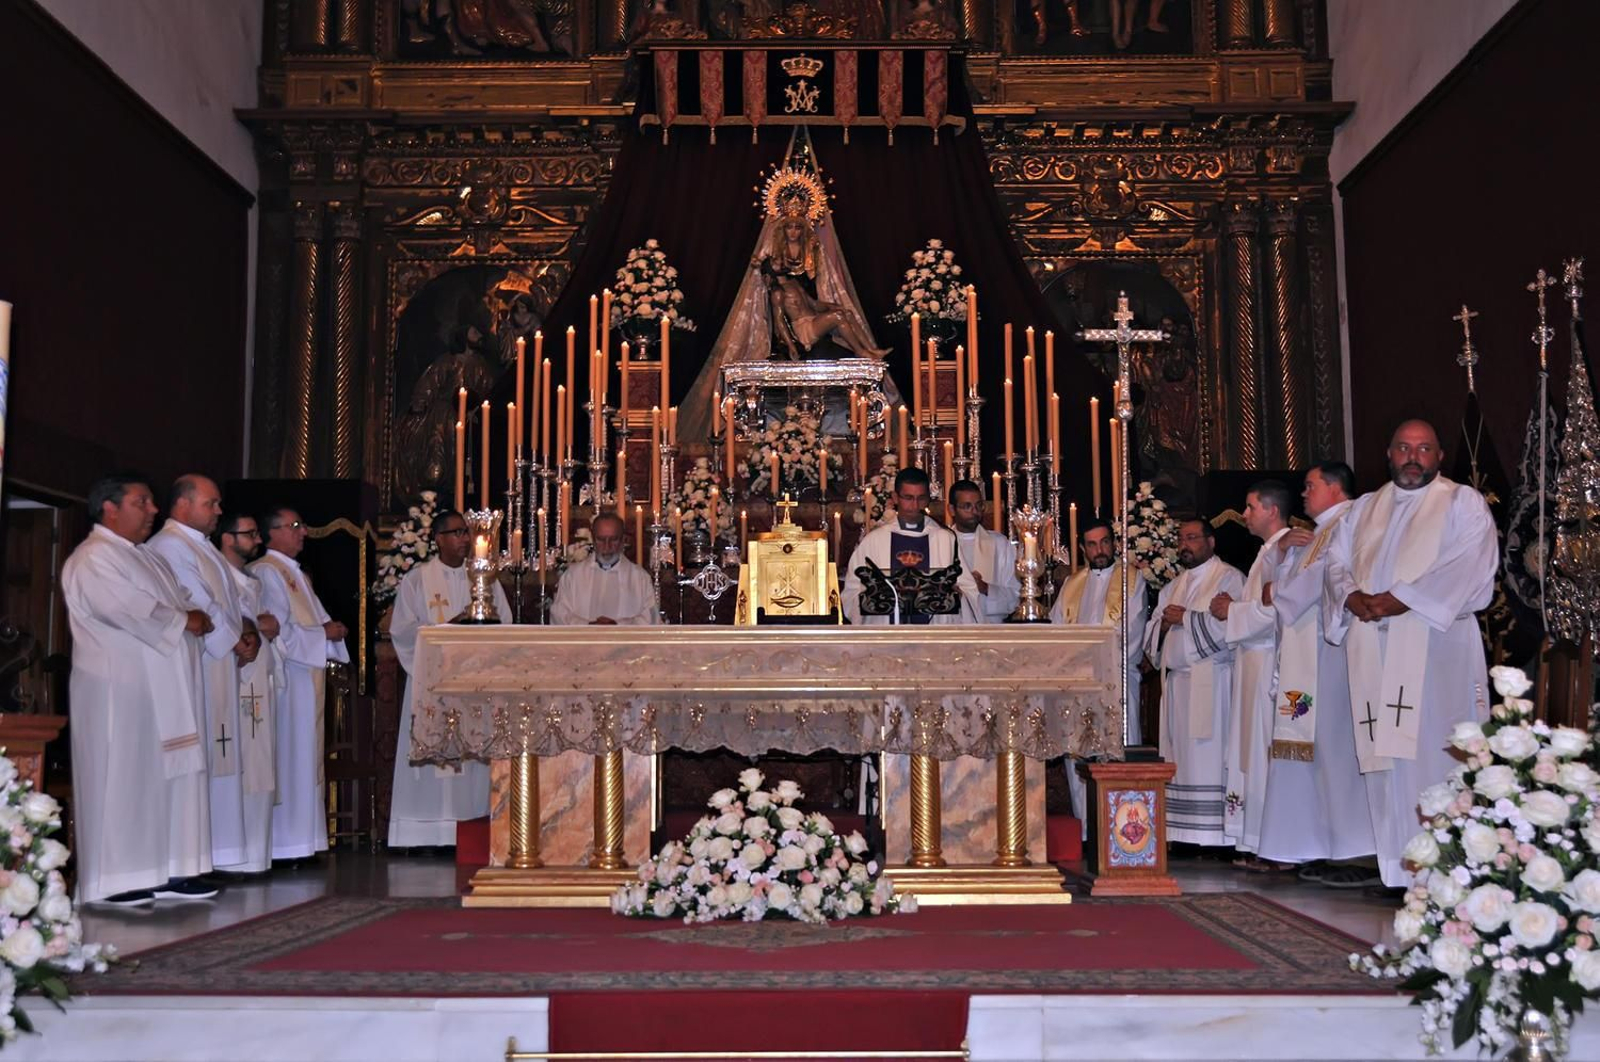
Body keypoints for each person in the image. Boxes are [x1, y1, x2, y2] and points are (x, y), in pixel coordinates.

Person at [1325, 420, 1497, 889]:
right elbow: (1336, 563)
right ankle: (1398, 872)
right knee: (1385, 760)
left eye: (1423, 449)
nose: (1413, 457)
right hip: (1374, 649)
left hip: (1436, 652)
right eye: (1404, 447)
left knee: (1434, 757)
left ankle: (1447, 872)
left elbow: (1468, 565)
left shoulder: (1463, 503)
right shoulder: (1363, 509)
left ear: (1439, 457)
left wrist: (1401, 598)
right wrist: (1351, 597)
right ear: (1389, 453)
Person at [62, 473, 218, 905]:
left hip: (162, 689)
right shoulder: (94, 558)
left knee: (163, 777)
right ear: (109, 509)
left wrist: (194, 614)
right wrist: (183, 620)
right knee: (125, 778)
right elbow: (124, 608)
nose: (152, 510)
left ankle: (170, 867)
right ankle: (116, 877)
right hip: (119, 693)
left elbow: (186, 598)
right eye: (141, 502)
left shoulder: (146, 558)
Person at [1254, 463, 1377, 885]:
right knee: (1310, 755)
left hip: (1332, 658)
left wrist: (1278, 591)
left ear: (1336, 488)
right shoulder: (1314, 532)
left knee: (1336, 753)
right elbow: (1282, 584)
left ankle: (1352, 851)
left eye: (1310, 486)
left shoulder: (1349, 524)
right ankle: (1311, 845)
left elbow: (1306, 587)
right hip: (1308, 661)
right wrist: (1283, 558)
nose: (1303, 494)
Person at [148, 475, 263, 875]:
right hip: (197, 661)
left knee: (222, 753)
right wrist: (235, 640)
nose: (218, 511)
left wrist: (245, 634)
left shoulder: (199, 547)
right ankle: (196, 857)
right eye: (211, 504)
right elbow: (198, 601)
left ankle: (215, 853)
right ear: (183, 505)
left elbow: (226, 601)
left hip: (219, 659)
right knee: (206, 753)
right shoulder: (168, 546)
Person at [388, 509, 510, 847]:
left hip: (473, 683)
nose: (465, 539)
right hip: (432, 682)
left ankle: (467, 831)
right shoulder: (418, 579)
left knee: (472, 761)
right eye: (456, 533)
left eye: (466, 533)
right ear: (438, 539)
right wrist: (451, 627)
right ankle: (422, 834)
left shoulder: (485, 579)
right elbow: (402, 631)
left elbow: (505, 624)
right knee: (433, 758)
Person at [250, 507, 350, 863]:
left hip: (306, 676)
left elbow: (314, 620)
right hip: (288, 678)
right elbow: (276, 627)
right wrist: (322, 634)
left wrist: (330, 632)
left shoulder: (294, 574)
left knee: (305, 758)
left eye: (301, 524)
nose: (303, 531)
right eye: (294, 526)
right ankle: (285, 843)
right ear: (271, 532)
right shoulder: (266, 571)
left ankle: (304, 841)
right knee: (291, 756)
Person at [1140, 517, 1244, 845]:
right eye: (1181, 539)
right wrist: (1166, 627)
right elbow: (1151, 635)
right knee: (1179, 759)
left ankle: (1218, 837)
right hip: (1178, 687)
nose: (1185, 545)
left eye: (1192, 537)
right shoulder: (1174, 585)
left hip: (1212, 683)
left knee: (1210, 758)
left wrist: (1184, 618)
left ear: (1210, 542)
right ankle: (1181, 832)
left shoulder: (1229, 577)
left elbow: (1230, 629)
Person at [1207, 480, 1293, 862]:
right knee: (1247, 751)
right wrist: (1237, 607)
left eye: (1250, 507)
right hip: (1250, 662)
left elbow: (1275, 609)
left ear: (1271, 510)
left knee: (1262, 750)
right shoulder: (1267, 551)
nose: (1244, 515)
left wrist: (1232, 611)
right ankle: (1253, 838)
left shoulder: (1287, 549)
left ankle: (1270, 842)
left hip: (1267, 662)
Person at [1052, 515, 1149, 837]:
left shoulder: (1132, 581)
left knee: (1118, 751)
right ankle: (1086, 833)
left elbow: (1131, 635)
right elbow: (1056, 632)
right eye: (1092, 544)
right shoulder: (1071, 585)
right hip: (1078, 685)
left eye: (1105, 542)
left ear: (1114, 544)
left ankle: (1123, 832)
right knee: (1079, 753)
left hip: (1115, 680)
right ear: (1083, 548)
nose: (1100, 549)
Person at [215, 511, 283, 874]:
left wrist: (266, 625)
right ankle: (232, 857)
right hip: (239, 677)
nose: (258, 540)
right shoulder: (219, 575)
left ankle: (256, 856)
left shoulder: (250, 579)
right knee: (240, 762)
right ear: (227, 538)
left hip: (260, 679)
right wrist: (258, 626)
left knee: (259, 763)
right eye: (250, 533)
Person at [842, 467, 981, 625]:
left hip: (933, 640)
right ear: (895, 498)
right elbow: (851, 593)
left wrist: (957, 595)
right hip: (888, 639)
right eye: (908, 498)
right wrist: (873, 596)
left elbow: (969, 592)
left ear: (928, 498)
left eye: (920, 498)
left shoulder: (945, 539)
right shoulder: (874, 541)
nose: (915, 506)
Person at [551, 512, 660, 625]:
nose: (607, 546)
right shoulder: (573, 576)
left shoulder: (639, 578)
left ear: (623, 540)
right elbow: (559, 614)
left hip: (625, 643)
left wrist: (617, 626)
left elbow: (650, 618)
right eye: (601, 539)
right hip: (583, 642)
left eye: (613, 539)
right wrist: (589, 626)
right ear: (593, 539)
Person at [947, 480, 1019, 623]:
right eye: (967, 506)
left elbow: (1016, 596)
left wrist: (985, 588)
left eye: (978, 505)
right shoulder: (941, 543)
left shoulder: (1000, 544)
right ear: (952, 510)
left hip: (990, 630)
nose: (974, 512)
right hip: (952, 629)